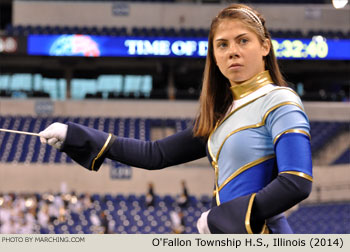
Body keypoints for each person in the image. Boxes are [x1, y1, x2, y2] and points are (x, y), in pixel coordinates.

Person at [39, 3, 312, 234]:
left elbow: (296, 182)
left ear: (265, 46)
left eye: (243, 40)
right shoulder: (222, 114)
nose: (232, 51)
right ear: (214, 57)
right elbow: (155, 154)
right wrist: (75, 136)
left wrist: (219, 219)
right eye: (222, 44)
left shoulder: (281, 101)